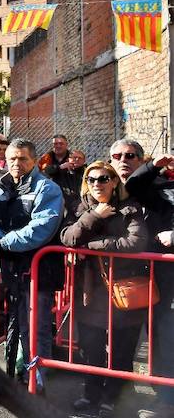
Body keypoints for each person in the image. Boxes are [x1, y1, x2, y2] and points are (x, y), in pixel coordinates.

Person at [60, 161, 148, 417]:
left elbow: (136, 242)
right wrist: (95, 215)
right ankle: (91, 395)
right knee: (91, 346)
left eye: (103, 178)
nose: (97, 184)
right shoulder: (81, 207)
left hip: (125, 287)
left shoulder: (130, 207)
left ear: (113, 181)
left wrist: (95, 245)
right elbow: (68, 237)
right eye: (92, 179)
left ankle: (114, 396)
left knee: (122, 347)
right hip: (90, 289)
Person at [0, 138, 64, 391]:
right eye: (12, 158)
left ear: (34, 160)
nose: (17, 163)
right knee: (15, 322)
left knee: (36, 326)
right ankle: (17, 374)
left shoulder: (47, 189)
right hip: (12, 269)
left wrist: (3, 243)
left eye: (22, 159)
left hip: (38, 270)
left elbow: (40, 229)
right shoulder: (1, 186)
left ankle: (38, 382)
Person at [111, 139, 174, 418]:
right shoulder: (162, 185)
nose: (123, 159)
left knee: (167, 337)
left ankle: (168, 399)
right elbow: (134, 186)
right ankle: (165, 396)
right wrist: (153, 166)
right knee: (160, 340)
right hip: (158, 276)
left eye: (130, 156)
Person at [45, 148, 86, 218]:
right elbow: (47, 171)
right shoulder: (60, 171)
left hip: (81, 206)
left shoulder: (87, 172)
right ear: (68, 159)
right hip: (63, 206)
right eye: (74, 157)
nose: (77, 160)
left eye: (80, 158)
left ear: (84, 161)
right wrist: (60, 167)